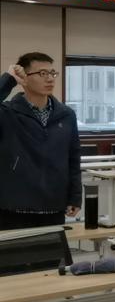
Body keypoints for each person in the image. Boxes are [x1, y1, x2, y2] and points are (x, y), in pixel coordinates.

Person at [0, 53, 81, 230]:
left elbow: (73, 158)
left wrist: (75, 197)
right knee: (15, 250)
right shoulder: (7, 112)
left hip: (53, 205)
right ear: (24, 78)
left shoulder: (66, 114)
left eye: (52, 73)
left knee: (52, 249)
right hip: (14, 207)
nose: (50, 79)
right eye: (42, 73)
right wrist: (8, 80)